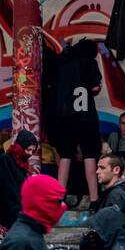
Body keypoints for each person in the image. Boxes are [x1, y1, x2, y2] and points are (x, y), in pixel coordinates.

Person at [51, 37, 103, 208]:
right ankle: (94, 199)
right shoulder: (89, 61)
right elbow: (95, 87)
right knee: (89, 156)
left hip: (64, 117)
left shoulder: (62, 62)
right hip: (85, 116)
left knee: (65, 156)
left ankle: (59, 196)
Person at [0, 129, 38, 230]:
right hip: (5, 214)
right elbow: (9, 190)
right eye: (28, 149)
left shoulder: (21, 164)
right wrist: (20, 213)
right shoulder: (5, 161)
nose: (30, 153)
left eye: (32, 151)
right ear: (20, 146)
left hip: (14, 213)